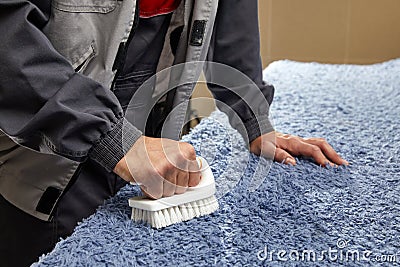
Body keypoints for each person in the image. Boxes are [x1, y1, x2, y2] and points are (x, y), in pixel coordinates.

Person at [0, 0, 348, 266]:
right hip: (43, 149)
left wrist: (254, 119)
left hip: (153, 123)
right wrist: (114, 139)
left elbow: (231, 10)